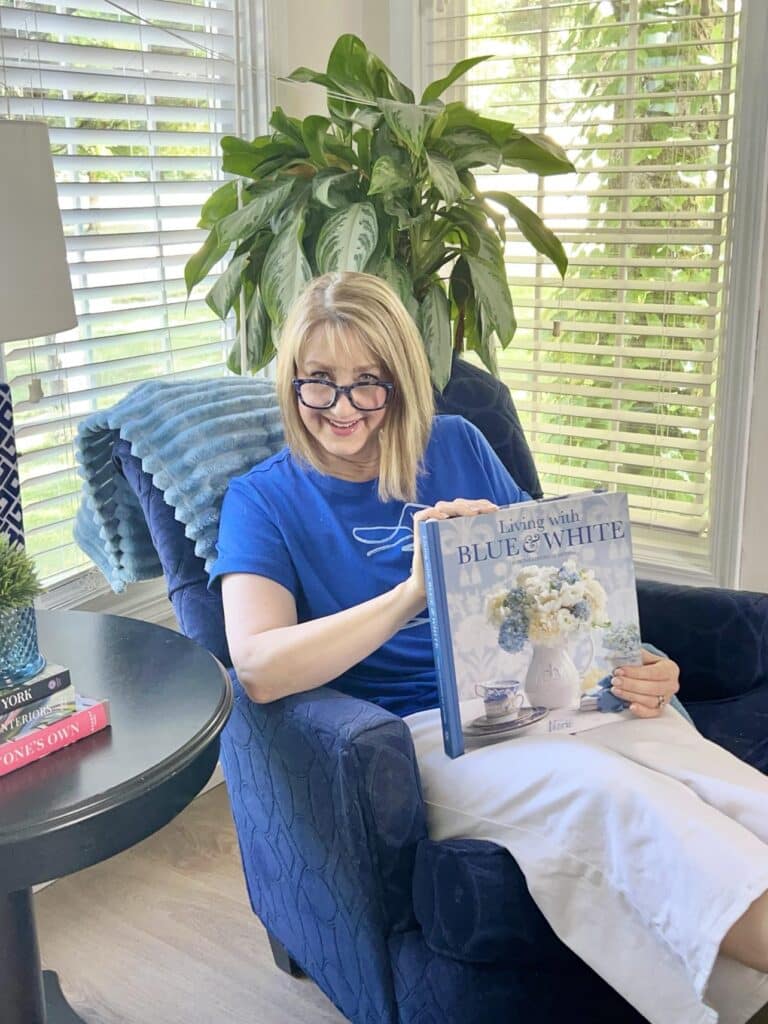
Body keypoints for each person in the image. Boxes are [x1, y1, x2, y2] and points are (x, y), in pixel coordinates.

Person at [210, 271, 768, 1024]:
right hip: (425, 735)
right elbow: (260, 666)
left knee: (713, 780)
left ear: (400, 380)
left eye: (367, 383)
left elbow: (559, 585)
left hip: (543, 691)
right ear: (292, 380)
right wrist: (415, 589)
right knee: (610, 796)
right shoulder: (262, 500)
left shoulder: (459, 445)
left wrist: (635, 659)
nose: (341, 409)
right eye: (319, 382)